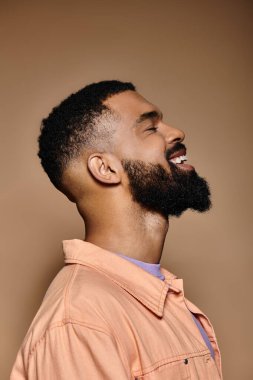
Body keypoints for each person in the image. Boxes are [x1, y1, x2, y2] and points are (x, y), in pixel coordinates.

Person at [10, 80, 223, 379]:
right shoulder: (81, 323)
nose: (177, 133)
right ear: (106, 169)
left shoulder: (165, 297)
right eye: (150, 128)